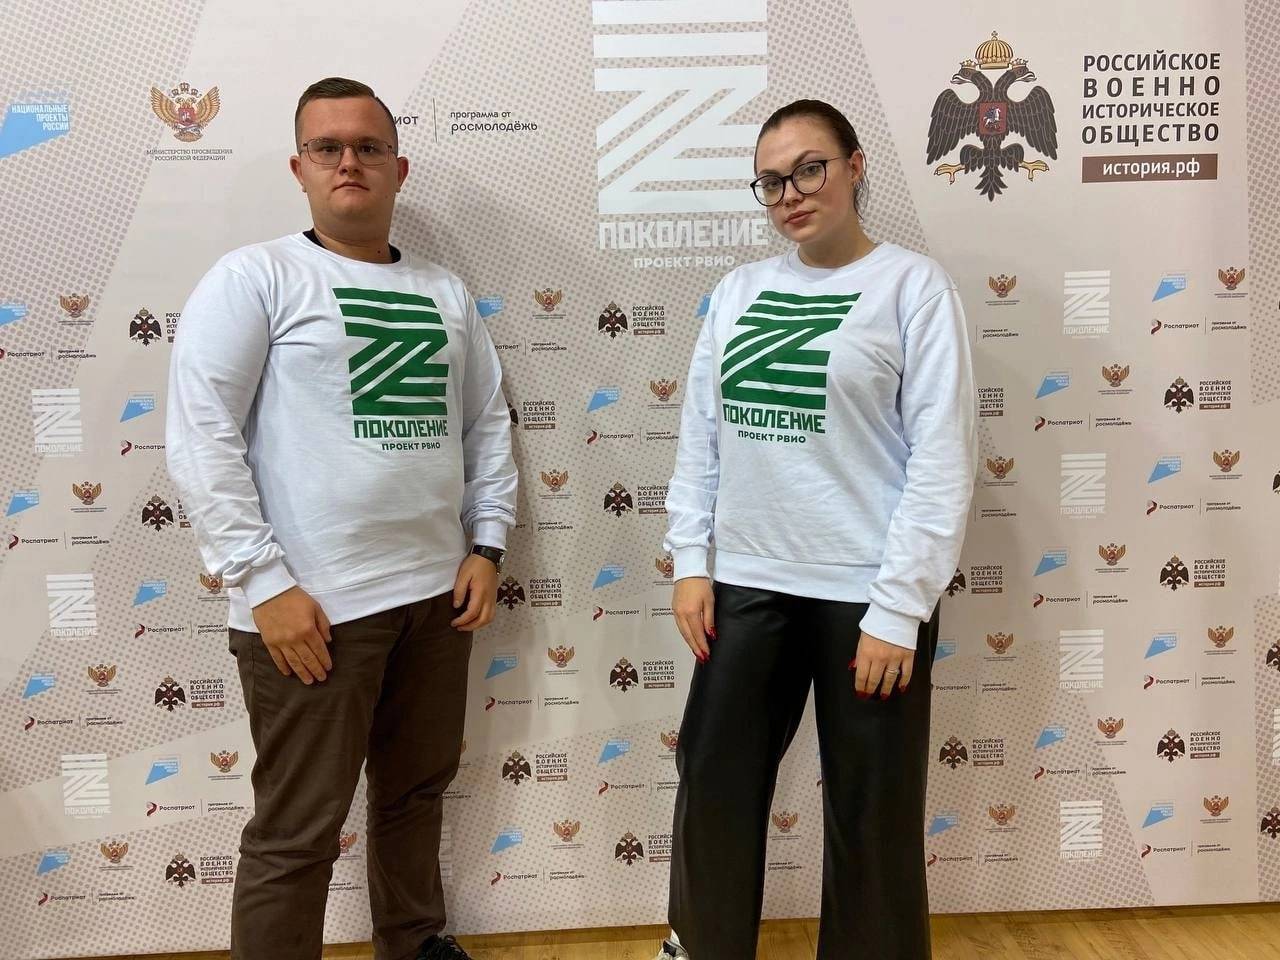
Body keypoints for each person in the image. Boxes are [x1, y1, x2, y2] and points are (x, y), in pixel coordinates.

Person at [166, 77, 516, 960]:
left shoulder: (445, 291)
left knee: (414, 796)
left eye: (368, 147)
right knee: (297, 831)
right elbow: (201, 436)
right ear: (300, 168)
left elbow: (484, 425)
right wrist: (263, 584)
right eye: (328, 148)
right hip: (312, 611)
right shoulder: (256, 278)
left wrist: (487, 542)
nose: (349, 162)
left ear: (399, 166)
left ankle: (414, 941)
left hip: (434, 600)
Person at [656, 99, 977, 960]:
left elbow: (942, 458)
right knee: (713, 788)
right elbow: (700, 434)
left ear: (855, 166)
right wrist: (692, 562)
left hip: (866, 598)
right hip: (746, 584)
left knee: (872, 816)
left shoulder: (913, 287)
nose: (790, 194)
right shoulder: (738, 291)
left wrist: (899, 608)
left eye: (809, 169)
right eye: (771, 181)